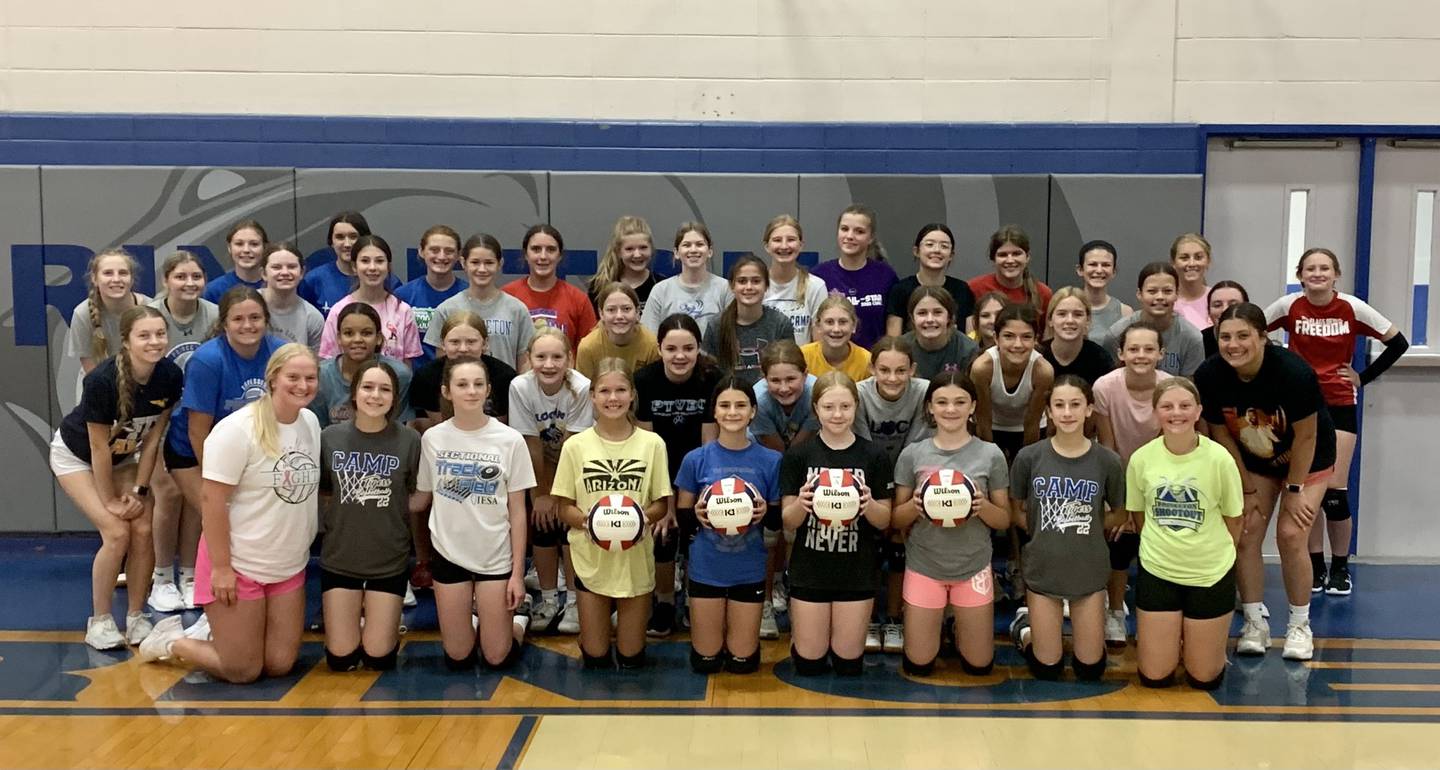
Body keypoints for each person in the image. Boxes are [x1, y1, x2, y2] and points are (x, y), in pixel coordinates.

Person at [139, 344, 322, 683]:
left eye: (310, 378)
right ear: (272, 379)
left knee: (279, 664)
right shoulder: (237, 430)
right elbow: (211, 501)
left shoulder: (309, 422)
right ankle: (173, 640)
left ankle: (224, 631)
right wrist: (221, 568)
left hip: (286, 563)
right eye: (292, 377)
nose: (302, 385)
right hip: (238, 563)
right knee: (243, 670)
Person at [1194, 303, 1337, 661]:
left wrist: (1294, 490)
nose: (1233, 344)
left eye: (1243, 336)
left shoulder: (1293, 371)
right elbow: (1220, 435)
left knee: (1291, 534)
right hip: (1254, 458)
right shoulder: (1210, 374)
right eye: (1225, 337)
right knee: (1246, 530)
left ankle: (1299, 625)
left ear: (1262, 337)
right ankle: (1255, 622)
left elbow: (1306, 437)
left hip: (1307, 458)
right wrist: (1244, 485)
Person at [1266, 247, 1408, 596]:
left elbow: (1398, 341)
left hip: (1340, 402)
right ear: (1300, 275)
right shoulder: (1288, 306)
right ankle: (1315, 567)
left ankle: (1341, 567)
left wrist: (1363, 375)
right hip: (1301, 404)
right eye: (1310, 268)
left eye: (1324, 268)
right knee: (1306, 487)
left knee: (1334, 491)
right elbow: (1255, 331)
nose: (1317, 274)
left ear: (1335, 274)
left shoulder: (1351, 307)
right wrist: (1280, 368)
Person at [54, 306, 182, 649]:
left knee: (142, 526)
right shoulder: (101, 381)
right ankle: (100, 621)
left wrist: (140, 491)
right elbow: (98, 449)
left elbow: (153, 438)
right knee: (115, 532)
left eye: (159, 334)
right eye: (144, 335)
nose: (154, 342)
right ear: (125, 342)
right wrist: (109, 499)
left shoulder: (169, 375)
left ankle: (137, 616)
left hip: (125, 458)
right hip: (77, 457)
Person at [162, 287, 289, 609]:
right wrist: (219, 482)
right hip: (192, 452)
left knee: (247, 520)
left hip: (251, 455)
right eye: (238, 319)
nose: (248, 325)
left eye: (255, 318)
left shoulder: (280, 353)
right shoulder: (208, 360)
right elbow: (197, 431)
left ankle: (249, 584)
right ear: (224, 323)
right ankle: (201, 589)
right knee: (218, 516)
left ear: (266, 320)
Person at [416, 356, 537, 671]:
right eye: (462, 384)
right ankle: (474, 618)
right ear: (447, 391)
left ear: (488, 390)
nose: (471, 391)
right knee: (458, 657)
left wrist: (516, 574)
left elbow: (518, 512)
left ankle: (518, 621)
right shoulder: (432, 439)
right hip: (448, 554)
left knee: (497, 657)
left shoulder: (510, 440)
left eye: (478, 384)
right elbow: (422, 499)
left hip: (494, 556)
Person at [552, 359, 671, 670]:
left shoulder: (652, 444)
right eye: (604, 391)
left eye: (620, 390)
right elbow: (563, 506)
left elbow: (661, 504)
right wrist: (590, 523)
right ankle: (593, 637)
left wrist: (640, 519)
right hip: (591, 556)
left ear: (632, 394)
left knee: (631, 657)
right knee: (596, 656)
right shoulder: (575, 446)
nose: (612, 398)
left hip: (634, 557)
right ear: (592, 396)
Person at [1126, 378, 1244, 689]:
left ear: (1198, 412)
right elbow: (1138, 515)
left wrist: (1212, 555)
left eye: (1184, 406)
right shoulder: (1141, 459)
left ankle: (1201, 649)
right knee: (1155, 677)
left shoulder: (1220, 459)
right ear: (1155, 413)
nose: (1176, 413)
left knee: (1203, 678)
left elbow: (1235, 520)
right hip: (1159, 571)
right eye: (1167, 406)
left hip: (1210, 574)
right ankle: (1172, 641)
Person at [890, 372, 1008, 677]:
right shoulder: (913, 453)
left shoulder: (989, 454)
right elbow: (894, 520)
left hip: (972, 566)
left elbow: (1004, 519)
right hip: (924, 566)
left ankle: (957, 624)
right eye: (942, 402)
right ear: (930, 407)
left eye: (959, 402)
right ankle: (939, 622)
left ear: (973, 407)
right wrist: (916, 507)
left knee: (979, 666)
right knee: (919, 664)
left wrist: (981, 506)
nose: (950, 409)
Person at [1008, 376, 1126, 681]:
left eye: (1075, 404)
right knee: (1047, 669)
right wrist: (1043, 532)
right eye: (1059, 405)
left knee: (1090, 669)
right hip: (1044, 569)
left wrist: (1088, 528)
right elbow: (1016, 509)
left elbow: (1120, 513)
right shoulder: (1029, 457)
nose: (1067, 412)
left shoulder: (1108, 461)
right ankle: (1025, 629)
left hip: (1088, 571)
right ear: (1048, 411)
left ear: (1089, 409)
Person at [779, 372, 893, 676]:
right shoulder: (799, 455)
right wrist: (802, 505)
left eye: (845, 406)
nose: (838, 414)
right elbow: (787, 522)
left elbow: (884, 520)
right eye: (829, 407)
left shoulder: (874, 455)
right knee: (810, 664)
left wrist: (868, 505)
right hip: (810, 570)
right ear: (816, 408)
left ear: (856, 406)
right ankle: (803, 640)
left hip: (856, 571)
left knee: (847, 665)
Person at [316, 360, 421, 671]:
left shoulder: (409, 440)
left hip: (388, 559)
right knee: (341, 658)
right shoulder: (328, 438)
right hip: (340, 557)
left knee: (377, 657)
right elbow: (323, 491)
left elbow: (417, 494)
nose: (376, 395)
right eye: (368, 387)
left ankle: (385, 624)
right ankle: (353, 626)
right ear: (354, 393)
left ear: (395, 398)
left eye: (385, 389)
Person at [674, 377, 781, 673]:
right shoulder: (696, 459)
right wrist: (696, 514)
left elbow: (776, 522)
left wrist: (763, 512)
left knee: (742, 663)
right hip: (706, 567)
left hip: (749, 568)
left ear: (753, 412)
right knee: (705, 662)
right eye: (725, 405)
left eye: (740, 405)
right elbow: (683, 521)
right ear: (715, 412)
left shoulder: (771, 460)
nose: (732, 412)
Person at [634, 314, 721, 638]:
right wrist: (665, 502)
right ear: (659, 348)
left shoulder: (712, 377)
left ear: (699, 348)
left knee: (696, 527)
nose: (680, 355)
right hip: (660, 468)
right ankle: (666, 601)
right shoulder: (645, 380)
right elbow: (648, 446)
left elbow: (709, 447)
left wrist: (693, 499)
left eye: (688, 347)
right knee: (663, 532)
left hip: (700, 470)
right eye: (671, 348)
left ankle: (695, 598)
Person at [509, 327, 595, 634]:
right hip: (538, 464)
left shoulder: (582, 386)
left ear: (569, 359)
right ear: (529, 359)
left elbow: (573, 445)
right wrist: (541, 495)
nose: (549, 364)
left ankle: (572, 599)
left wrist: (560, 497)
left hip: (575, 465)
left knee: (569, 525)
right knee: (542, 523)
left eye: (557, 357)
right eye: (541, 357)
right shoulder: (520, 387)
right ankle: (547, 599)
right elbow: (530, 443)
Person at [145, 252, 218, 613]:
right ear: (166, 281)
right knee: (168, 494)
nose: (189, 283)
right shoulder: (153, 316)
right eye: (181, 277)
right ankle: (161, 577)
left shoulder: (214, 315)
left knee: (196, 496)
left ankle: (189, 574)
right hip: (158, 419)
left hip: (198, 419)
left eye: (196, 277)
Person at [1092, 321, 1172, 646]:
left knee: (1161, 540)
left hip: (1160, 476)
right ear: (1121, 353)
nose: (1141, 355)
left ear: (1161, 354)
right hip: (1119, 474)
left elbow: (1168, 447)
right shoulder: (1104, 387)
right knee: (1119, 537)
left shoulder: (1171, 388)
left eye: (1149, 349)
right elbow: (1108, 448)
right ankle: (1114, 613)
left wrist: (1143, 501)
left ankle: (1160, 614)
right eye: (1134, 349)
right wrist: (1121, 504)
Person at [854, 336, 930, 655]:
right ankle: (870, 617)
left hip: (909, 472)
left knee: (900, 538)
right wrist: (881, 502)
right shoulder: (858, 393)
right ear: (872, 368)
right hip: (869, 472)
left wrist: (898, 504)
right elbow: (863, 450)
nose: (892, 378)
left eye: (901, 371)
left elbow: (915, 450)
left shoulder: (925, 391)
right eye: (884, 370)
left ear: (912, 369)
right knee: (870, 539)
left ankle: (895, 619)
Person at [750, 339, 819, 638]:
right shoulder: (759, 399)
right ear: (764, 378)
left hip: (809, 460)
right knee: (769, 533)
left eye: (791, 379)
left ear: (805, 375)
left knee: (797, 532)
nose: (784, 387)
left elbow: (803, 446)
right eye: (775, 380)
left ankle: (794, 593)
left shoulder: (818, 392)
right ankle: (765, 601)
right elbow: (777, 450)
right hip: (768, 461)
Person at [426, 233, 535, 370]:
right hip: (461, 389)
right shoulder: (447, 309)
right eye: (475, 262)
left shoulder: (517, 309)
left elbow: (525, 364)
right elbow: (442, 366)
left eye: (489, 263)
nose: (482, 269)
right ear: (463, 263)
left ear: (499, 264)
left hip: (504, 389)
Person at [318, 235, 422, 366]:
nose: (372, 267)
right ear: (354, 267)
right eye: (365, 261)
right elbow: (329, 363)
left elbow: (407, 367)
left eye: (379, 261)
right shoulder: (338, 311)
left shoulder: (402, 310)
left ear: (388, 266)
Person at [972, 303, 1054, 462]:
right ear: (996, 338)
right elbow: (983, 420)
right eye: (1009, 336)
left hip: (1027, 429)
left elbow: (1032, 423)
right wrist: (990, 461)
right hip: (992, 427)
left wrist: (1025, 464)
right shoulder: (982, 368)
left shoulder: (1043, 371)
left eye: (1026, 337)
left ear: (1036, 339)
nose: (1018, 345)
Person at [310, 303, 413, 428]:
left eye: (366, 333)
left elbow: (397, 429)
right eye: (348, 333)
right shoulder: (321, 375)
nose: (357, 339)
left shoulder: (399, 374)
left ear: (379, 338)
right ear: (338, 338)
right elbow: (318, 430)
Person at [410, 310, 516, 429]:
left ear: (485, 343)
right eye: (455, 342)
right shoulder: (426, 377)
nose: (463, 349)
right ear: (443, 344)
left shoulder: (504, 377)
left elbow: (502, 427)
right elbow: (424, 424)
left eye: (471, 342)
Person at [811, 205, 897, 349]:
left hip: (874, 364)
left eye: (859, 231)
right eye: (844, 229)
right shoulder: (819, 276)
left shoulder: (885, 275)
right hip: (829, 364)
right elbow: (814, 327)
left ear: (871, 238)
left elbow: (892, 327)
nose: (850, 236)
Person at [1098, 262, 1205, 377]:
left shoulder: (1191, 337)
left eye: (1167, 291)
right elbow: (1111, 381)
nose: (1160, 297)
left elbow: (1189, 388)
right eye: (1152, 291)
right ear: (1139, 294)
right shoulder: (1117, 334)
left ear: (1177, 294)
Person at [704, 254, 794, 387]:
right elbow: (708, 375)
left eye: (756, 281)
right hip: (729, 401)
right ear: (732, 286)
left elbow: (789, 371)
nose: (749, 287)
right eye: (742, 281)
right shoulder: (716, 325)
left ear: (766, 286)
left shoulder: (780, 324)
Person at [503, 224, 597, 351]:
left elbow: (589, 350)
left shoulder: (579, 300)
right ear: (526, 254)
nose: (543, 256)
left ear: (560, 256)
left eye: (551, 250)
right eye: (536, 249)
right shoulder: (507, 296)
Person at [299, 212, 400, 315]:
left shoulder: (390, 282)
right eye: (340, 237)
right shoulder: (313, 280)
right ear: (331, 242)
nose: (347, 244)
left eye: (353, 236)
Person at [640, 222, 730, 335]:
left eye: (699, 244)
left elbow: (732, 336)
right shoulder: (660, 291)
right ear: (676, 252)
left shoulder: (725, 289)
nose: (693, 250)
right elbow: (649, 339)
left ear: (710, 251)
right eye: (686, 245)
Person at [886, 223, 976, 337]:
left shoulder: (962, 289)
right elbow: (893, 340)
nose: (937, 250)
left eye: (944, 246)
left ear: (951, 255)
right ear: (916, 251)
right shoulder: (900, 290)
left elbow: (971, 337)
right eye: (930, 244)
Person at [395, 225, 467, 366]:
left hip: (457, 379)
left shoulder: (468, 295)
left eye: (449, 251)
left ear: (459, 255)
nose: (441, 256)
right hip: (416, 381)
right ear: (421, 251)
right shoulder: (403, 295)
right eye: (434, 250)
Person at [69, 249, 149, 374]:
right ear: (94, 279)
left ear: (132, 279)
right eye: (108, 273)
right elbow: (90, 371)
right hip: (97, 386)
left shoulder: (150, 308)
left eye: (123, 273)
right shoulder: (83, 314)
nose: (116, 279)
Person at [967, 225, 1053, 332]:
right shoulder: (974, 288)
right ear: (993, 259)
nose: (1010, 260)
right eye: (1003, 255)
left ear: (1027, 257)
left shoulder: (1043, 293)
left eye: (1016, 254)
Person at [761, 215, 828, 345]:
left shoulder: (815, 286)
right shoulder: (756, 285)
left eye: (791, 239)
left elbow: (819, 344)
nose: (784, 246)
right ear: (767, 246)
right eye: (777, 240)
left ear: (801, 245)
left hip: (802, 364)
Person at [576, 283, 660, 380]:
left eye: (626, 309)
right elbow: (584, 392)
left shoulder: (651, 344)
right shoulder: (588, 347)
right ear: (601, 314)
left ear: (637, 312)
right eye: (611, 310)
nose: (619, 316)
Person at [1039, 287, 1115, 386]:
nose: (1070, 320)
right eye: (1062, 314)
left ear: (1087, 320)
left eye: (1078, 314)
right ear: (1050, 320)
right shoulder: (1038, 356)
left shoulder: (1100, 359)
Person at [902, 286, 979, 381]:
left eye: (937, 312)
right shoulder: (900, 348)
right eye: (922, 313)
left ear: (949, 317)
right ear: (912, 318)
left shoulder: (968, 350)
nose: (930, 319)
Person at [587, 216, 657, 317]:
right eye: (629, 249)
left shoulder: (662, 286)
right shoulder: (599, 286)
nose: (637, 254)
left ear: (651, 249)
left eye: (643, 247)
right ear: (618, 252)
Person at [261, 242, 325, 351]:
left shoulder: (313, 318)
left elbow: (315, 363)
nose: (285, 272)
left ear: (302, 272)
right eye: (276, 267)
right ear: (263, 274)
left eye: (291, 267)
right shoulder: (245, 305)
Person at [802, 296, 871, 382]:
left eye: (843, 322)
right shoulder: (803, 356)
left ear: (853, 326)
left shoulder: (866, 361)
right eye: (829, 322)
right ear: (818, 326)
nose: (836, 329)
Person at [1076, 240, 1133, 344]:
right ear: (1080, 270)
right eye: (1093, 264)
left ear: (1114, 271)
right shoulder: (1066, 308)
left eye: (1106, 265)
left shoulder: (1125, 312)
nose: (1099, 270)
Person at [202, 220, 268, 304]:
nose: (246, 250)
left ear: (265, 247)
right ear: (229, 248)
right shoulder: (213, 291)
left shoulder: (276, 286)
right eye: (239, 244)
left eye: (254, 244)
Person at [1170, 233, 1214, 330]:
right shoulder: (1167, 300)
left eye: (1198, 257)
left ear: (1208, 261)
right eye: (1184, 258)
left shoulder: (1217, 299)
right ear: (1173, 262)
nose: (1192, 263)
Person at [1202, 281, 1248, 359]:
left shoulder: (1257, 338)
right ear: (1208, 311)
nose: (1225, 310)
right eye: (1217, 305)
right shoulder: (1198, 341)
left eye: (1233, 305)